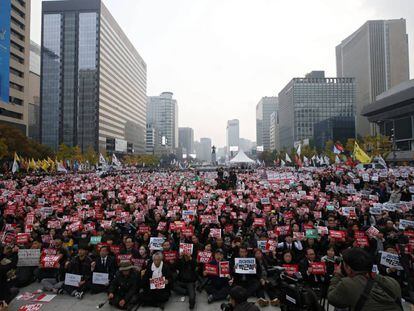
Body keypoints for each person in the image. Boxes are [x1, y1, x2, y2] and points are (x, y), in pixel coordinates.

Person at [328, 248, 402, 311]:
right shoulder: (392, 282)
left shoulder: (347, 284)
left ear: (348, 268)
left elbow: (332, 298)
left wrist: (337, 274)